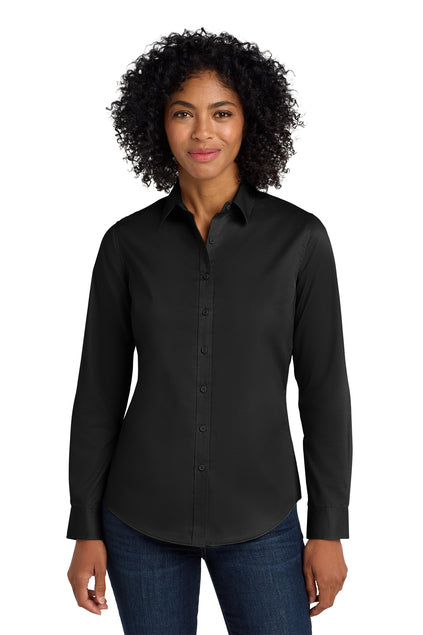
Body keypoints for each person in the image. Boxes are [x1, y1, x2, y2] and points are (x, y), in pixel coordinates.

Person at [66, 27, 352, 635]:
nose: (202, 132)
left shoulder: (300, 240)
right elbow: (98, 392)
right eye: (183, 113)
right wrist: (85, 526)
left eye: (222, 113)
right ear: (158, 123)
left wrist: (329, 528)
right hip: (139, 519)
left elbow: (325, 390)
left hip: (262, 517)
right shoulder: (126, 244)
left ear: (251, 121)